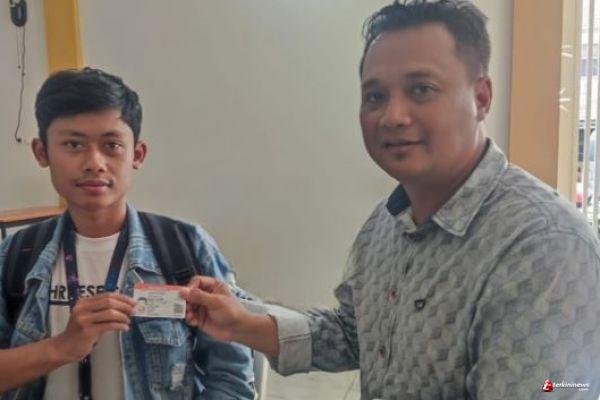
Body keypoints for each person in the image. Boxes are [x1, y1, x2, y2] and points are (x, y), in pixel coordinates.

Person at [179, 1, 600, 399]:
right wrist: (242, 320)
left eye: (421, 89)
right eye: (375, 96)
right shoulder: (388, 221)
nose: (393, 116)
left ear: (481, 97)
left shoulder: (545, 247)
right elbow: (353, 333)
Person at [0, 68, 255, 399]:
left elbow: (231, 378)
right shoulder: (15, 255)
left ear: (137, 154)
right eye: (73, 144)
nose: (94, 162)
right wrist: (61, 347)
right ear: (41, 152)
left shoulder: (185, 247)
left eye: (111, 145)